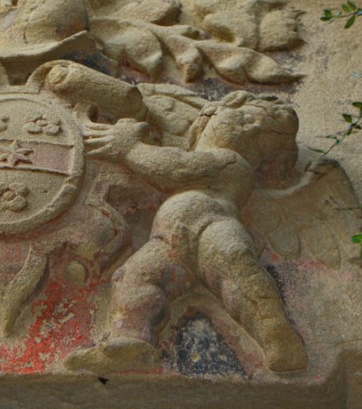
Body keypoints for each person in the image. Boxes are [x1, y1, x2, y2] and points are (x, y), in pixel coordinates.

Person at [67, 91, 308, 373]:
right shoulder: (209, 153)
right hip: (168, 243)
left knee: (238, 272)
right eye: (238, 118)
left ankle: (276, 335)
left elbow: (178, 168)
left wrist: (129, 147)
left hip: (211, 227)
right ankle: (132, 341)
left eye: (253, 129)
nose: (246, 127)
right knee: (132, 277)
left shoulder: (231, 163)